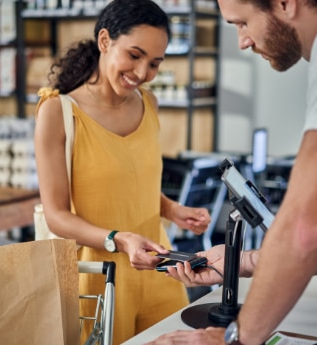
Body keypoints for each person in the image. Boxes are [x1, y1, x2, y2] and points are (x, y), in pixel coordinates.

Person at [145, 0, 317, 344]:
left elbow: (304, 228)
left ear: (285, 4)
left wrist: (236, 339)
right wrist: (245, 260)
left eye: (242, 23)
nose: (242, 41)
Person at [34, 0, 211, 343]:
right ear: (105, 41)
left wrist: (171, 209)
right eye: (134, 55)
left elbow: (134, 181)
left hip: (163, 269)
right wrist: (118, 239)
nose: (143, 73)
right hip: (101, 279)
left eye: (155, 63)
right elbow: (57, 216)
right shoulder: (58, 112)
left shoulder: (149, 104)